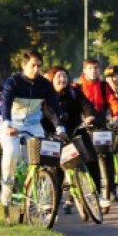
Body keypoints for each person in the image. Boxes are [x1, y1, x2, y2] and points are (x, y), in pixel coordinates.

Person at [0, 50, 64, 210]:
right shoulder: (12, 82)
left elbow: (54, 107)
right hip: (12, 124)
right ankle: (6, 189)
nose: (36, 69)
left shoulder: (44, 84)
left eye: (39, 66)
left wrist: (60, 127)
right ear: (24, 65)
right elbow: (6, 104)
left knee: (44, 159)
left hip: (34, 124)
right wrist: (7, 125)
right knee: (12, 153)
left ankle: (42, 196)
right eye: (33, 65)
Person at [46, 66, 98, 214]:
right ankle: (53, 203)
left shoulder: (74, 92)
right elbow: (46, 115)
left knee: (91, 159)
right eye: (58, 77)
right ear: (51, 80)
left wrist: (89, 116)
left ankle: (97, 194)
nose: (62, 79)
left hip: (76, 130)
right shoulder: (47, 96)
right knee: (56, 171)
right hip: (55, 135)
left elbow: (86, 105)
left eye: (64, 76)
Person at [74, 58, 118, 212]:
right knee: (81, 160)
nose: (93, 71)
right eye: (90, 68)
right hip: (82, 125)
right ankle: (71, 196)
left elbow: (113, 101)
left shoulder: (103, 86)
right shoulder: (77, 87)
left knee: (106, 156)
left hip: (101, 125)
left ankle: (108, 191)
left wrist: (116, 115)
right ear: (84, 70)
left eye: (96, 68)